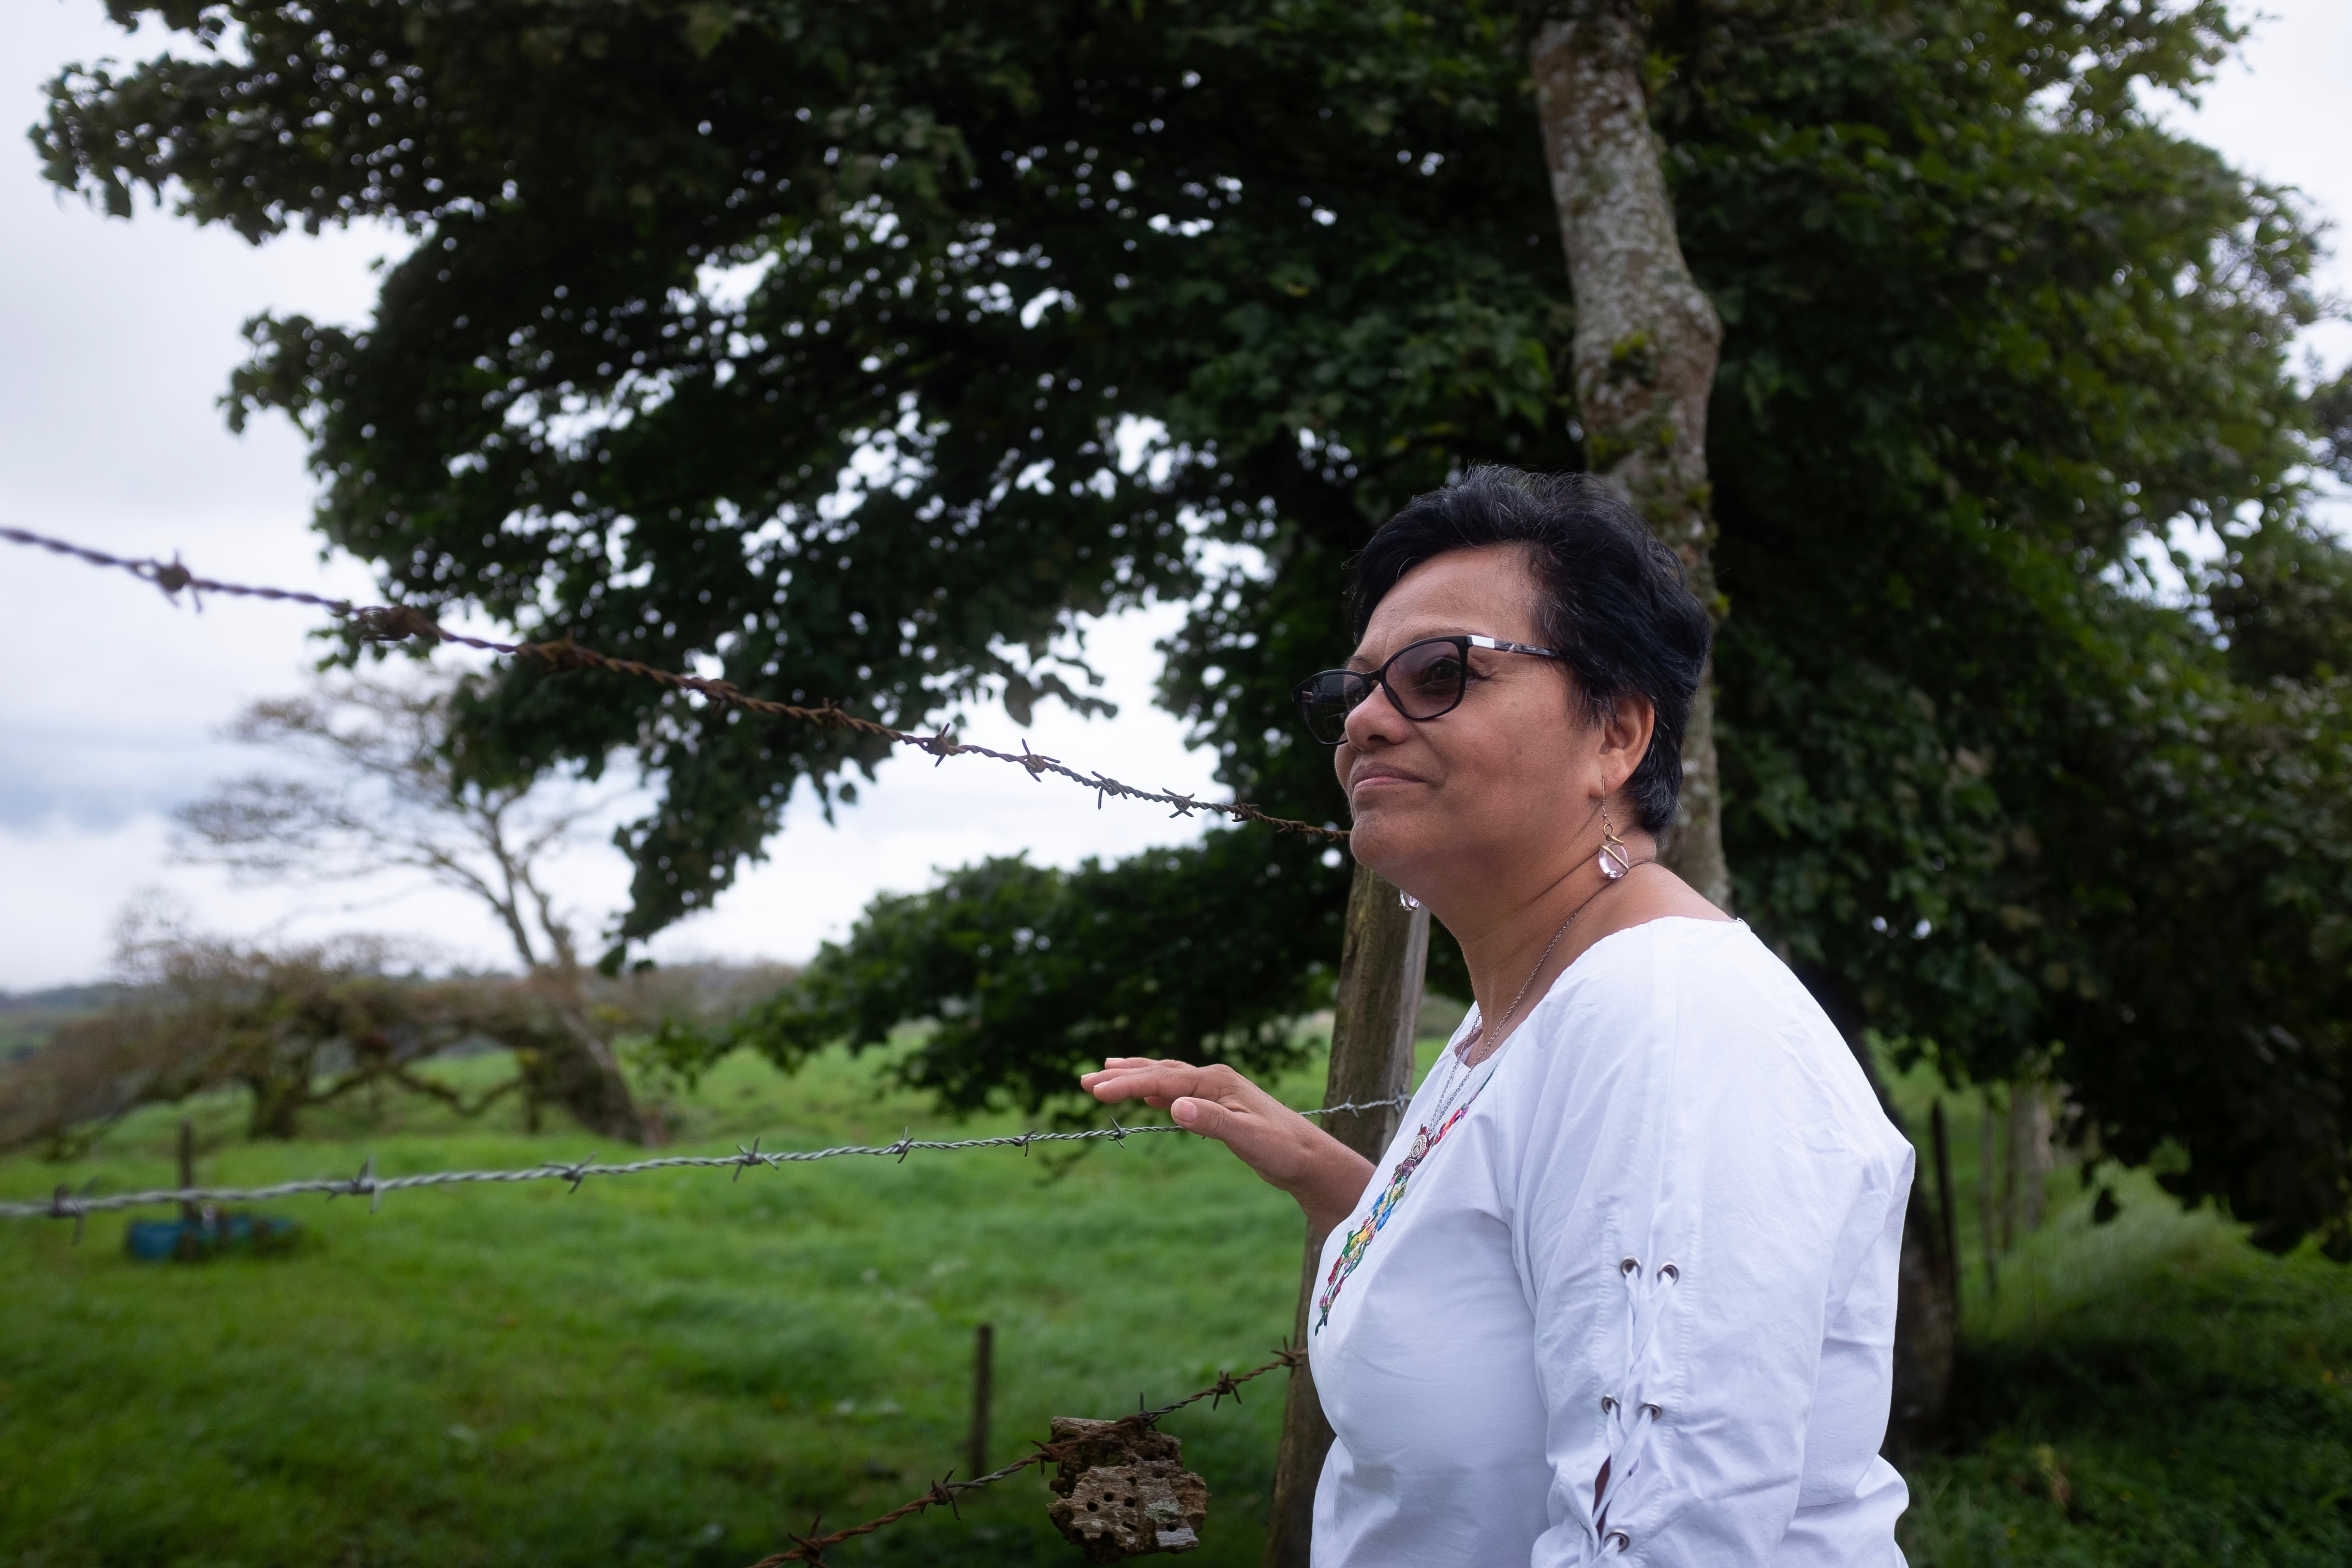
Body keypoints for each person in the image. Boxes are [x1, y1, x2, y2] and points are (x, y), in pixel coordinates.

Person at [1081, 468, 1913, 1566]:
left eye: (1437, 674)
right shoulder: (1522, 1010)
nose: (1364, 721)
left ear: (1615, 734)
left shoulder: (1661, 1027)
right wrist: (1330, 1174)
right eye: (1355, 688)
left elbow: (1659, 1545)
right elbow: (1506, 1291)